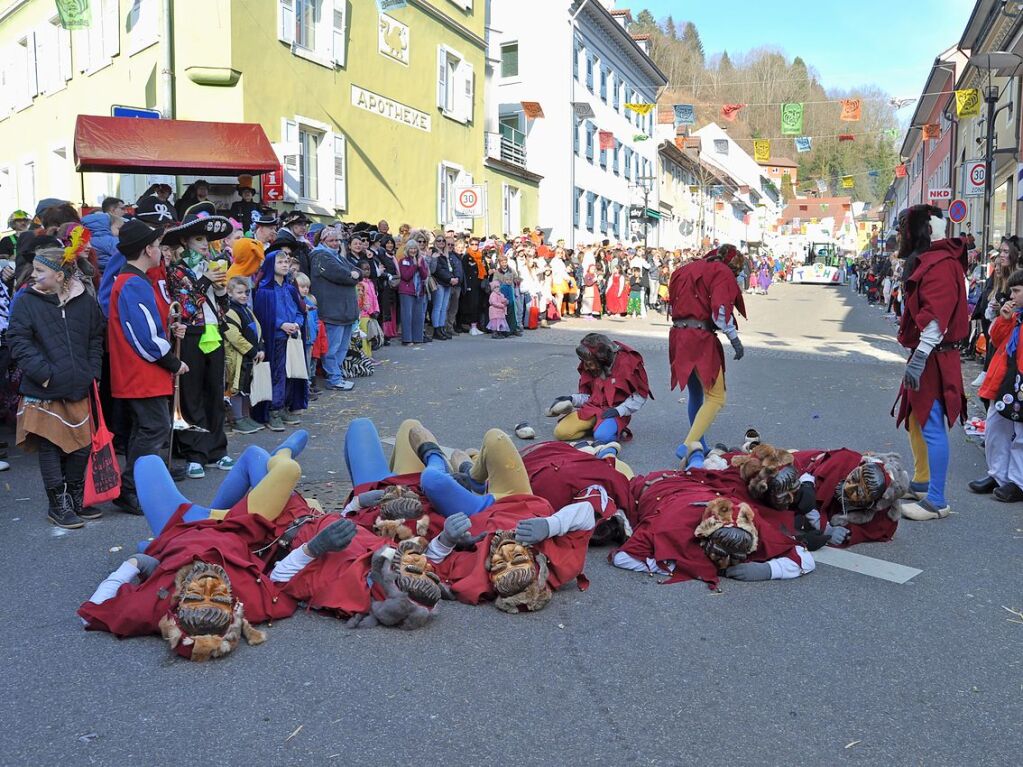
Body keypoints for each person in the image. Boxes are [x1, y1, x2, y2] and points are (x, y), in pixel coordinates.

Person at [78, 438, 308, 661]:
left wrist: (133, 564)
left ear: (177, 604)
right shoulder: (255, 602)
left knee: (147, 461)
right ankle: (284, 451)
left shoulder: (152, 606)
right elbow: (286, 581)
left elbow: (90, 615)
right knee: (262, 459)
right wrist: (312, 549)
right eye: (217, 596)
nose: (207, 581)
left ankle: (154, 547)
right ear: (234, 606)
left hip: (178, 525)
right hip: (235, 523)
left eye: (196, 594)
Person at [7, 239, 104, 528]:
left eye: (39, 270)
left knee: (81, 445)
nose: (33, 275)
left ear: (60, 275)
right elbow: (18, 340)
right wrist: (44, 373)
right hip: (44, 387)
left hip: (78, 384)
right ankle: (57, 505)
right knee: (50, 445)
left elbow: (95, 337)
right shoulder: (26, 300)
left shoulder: (84, 300)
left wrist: (92, 371)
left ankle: (75, 499)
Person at [893, 206, 969, 521]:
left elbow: (936, 317)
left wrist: (920, 358)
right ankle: (924, 483)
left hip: (934, 356)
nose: (901, 237)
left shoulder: (939, 264)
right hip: (930, 354)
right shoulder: (937, 260)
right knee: (916, 420)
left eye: (904, 231)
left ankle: (936, 500)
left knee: (933, 425)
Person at [107, 219, 187, 515]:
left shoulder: (131, 281)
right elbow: (144, 336)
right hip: (141, 372)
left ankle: (143, 482)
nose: (159, 251)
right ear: (147, 250)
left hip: (137, 371)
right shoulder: (134, 283)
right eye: (156, 246)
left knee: (146, 429)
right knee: (154, 428)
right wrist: (172, 361)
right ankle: (133, 489)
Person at [612, 473, 813, 588]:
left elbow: (805, 558)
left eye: (735, 557)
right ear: (704, 538)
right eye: (720, 555)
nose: (725, 563)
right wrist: (676, 566)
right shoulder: (670, 526)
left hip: (699, 486)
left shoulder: (754, 527)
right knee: (617, 481)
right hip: (657, 486)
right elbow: (622, 557)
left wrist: (768, 570)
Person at [161, 205, 236, 478]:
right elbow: (187, 308)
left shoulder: (215, 264)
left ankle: (218, 449)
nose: (205, 245)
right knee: (191, 394)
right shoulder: (177, 270)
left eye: (207, 240)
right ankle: (194, 453)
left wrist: (221, 290)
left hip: (213, 332)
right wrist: (205, 282)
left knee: (215, 392)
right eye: (199, 240)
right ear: (185, 241)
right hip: (190, 335)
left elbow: (222, 308)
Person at [667, 244, 747, 466]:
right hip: (700, 337)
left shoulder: (687, 268)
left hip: (678, 334)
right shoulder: (721, 271)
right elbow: (720, 310)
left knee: (696, 394)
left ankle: (698, 445)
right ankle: (688, 445)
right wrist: (734, 339)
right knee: (716, 397)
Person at [548, 333, 651, 456]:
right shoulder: (590, 362)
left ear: (602, 359)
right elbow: (589, 396)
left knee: (602, 436)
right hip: (592, 408)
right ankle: (593, 427)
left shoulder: (627, 363)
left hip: (613, 412)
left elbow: (640, 395)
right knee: (561, 432)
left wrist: (619, 410)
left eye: (589, 363)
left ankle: (605, 429)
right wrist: (572, 399)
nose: (586, 366)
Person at [971, 269, 1023, 501]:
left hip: (1019, 382)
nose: (1012, 296)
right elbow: (997, 341)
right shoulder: (1014, 316)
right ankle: (998, 474)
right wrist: (1003, 319)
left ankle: (1017, 481)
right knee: (995, 428)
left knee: (1021, 435)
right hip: (1004, 381)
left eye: (1016, 291)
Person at [252, 244, 308, 430]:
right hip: (275, 338)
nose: (285, 265)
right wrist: (280, 324)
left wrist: (297, 323)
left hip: (292, 338)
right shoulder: (264, 291)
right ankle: (273, 411)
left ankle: (284, 405)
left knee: (291, 373)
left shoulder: (290, 289)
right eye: (280, 262)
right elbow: (262, 317)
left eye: (286, 262)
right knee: (277, 374)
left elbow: (301, 310)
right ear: (270, 264)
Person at [309, 226, 360, 391]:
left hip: (344, 311)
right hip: (332, 310)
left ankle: (336, 375)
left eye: (338, 240)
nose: (336, 243)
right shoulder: (320, 256)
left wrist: (353, 275)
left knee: (342, 346)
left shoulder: (337, 256)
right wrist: (351, 275)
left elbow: (358, 272)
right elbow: (343, 275)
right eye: (331, 240)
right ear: (323, 241)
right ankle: (333, 378)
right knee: (332, 347)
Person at [223, 276, 264, 435]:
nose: (244, 295)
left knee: (247, 387)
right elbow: (234, 336)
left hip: (250, 357)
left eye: (246, 292)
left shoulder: (246, 309)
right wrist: (253, 351)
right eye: (239, 292)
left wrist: (261, 347)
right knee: (237, 388)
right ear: (230, 292)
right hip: (238, 356)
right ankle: (238, 419)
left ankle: (246, 416)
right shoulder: (229, 311)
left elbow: (257, 330)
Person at [397, 239, 430, 345]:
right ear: (407, 249)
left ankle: (417, 338)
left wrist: (420, 266)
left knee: (418, 316)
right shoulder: (403, 261)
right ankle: (407, 339)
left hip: (419, 291)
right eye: (411, 248)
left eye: (415, 248)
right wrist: (414, 265)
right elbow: (406, 276)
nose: (413, 250)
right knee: (407, 315)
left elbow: (425, 275)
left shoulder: (422, 260)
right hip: (406, 291)